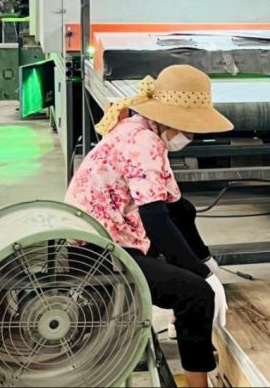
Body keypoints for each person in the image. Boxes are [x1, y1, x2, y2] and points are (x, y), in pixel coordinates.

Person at [65, 64, 235, 388]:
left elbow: (178, 210)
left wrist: (204, 260)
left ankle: (181, 323)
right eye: (191, 129)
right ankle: (199, 383)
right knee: (195, 294)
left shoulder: (143, 129)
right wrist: (205, 278)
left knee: (185, 261)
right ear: (172, 119)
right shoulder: (142, 142)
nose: (191, 137)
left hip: (113, 233)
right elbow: (156, 220)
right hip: (97, 252)